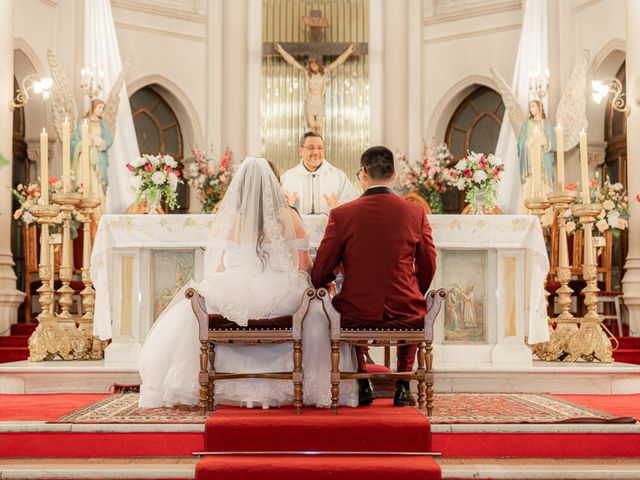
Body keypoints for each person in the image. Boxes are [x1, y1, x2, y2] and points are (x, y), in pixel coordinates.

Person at [138, 157, 357, 409]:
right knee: (317, 315)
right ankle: (307, 385)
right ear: (275, 185)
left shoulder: (228, 220)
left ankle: (209, 382)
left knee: (192, 313)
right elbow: (303, 267)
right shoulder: (291, 217)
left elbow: (218, 268)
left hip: (234, 294)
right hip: (282, 298)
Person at [311, 146, 437, 407]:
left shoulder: (342, 214)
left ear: (364, 173)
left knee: (340, 304)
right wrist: (413, 290)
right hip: (405, 307)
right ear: (393, 175)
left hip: (357, 310)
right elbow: (428, 264)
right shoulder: (416, 213)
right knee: (414, 306)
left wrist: (325, 283)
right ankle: (403, 386)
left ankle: (362, 381)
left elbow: (321, 268)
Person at [274, 43, 357, 133]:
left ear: (318, 64)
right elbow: (293, 62)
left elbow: (337, 62)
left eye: (315, 65)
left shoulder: (324, 72)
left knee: (318, 126)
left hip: (320, 100)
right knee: (312, 126)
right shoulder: (307, 73)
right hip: (310, 100)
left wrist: (348, 51)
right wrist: (281, 51)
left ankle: (319, 143)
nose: (313, 67)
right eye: (311, 66)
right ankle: (311, 143)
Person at [281, 131, 358, 215]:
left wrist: (338, 208)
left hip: (329, 227)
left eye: (320, 148)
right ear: (300, 151)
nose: (316, 152)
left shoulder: (339, 177)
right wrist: (289, 208)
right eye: (311, 148)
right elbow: (277, 209)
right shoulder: (287, 178)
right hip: (298, 227)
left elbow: (353, 205)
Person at [71, 99, 113, 204]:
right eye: (99, 107)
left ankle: (99, 213)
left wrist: (98, 141)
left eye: (102, 108)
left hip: (98, 158)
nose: (101, 110)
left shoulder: (103, 123)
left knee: (97, 181)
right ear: (93, 107)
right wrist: (84, 143)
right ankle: (84, 212)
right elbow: (74, 141)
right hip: (85, 157)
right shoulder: (83, 122)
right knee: (84, 181)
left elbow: (108, 140)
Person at [517, 99, 556, 209]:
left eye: (533, 106)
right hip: (531, 161)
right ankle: (529, 210)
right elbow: (521, 141)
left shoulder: (547, 124)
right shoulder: (526, 125)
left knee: (545, 185)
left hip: (543, 161)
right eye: (530, 107)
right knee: (530, 183)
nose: (531, 109)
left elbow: (553, 142)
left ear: (539, 107)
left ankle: (546, 215)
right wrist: (529, 142)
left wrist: (544, 141)